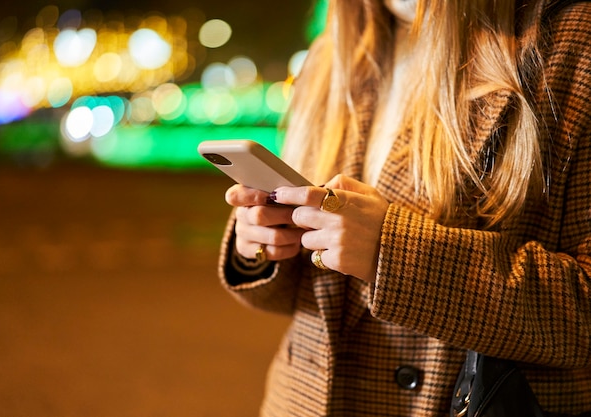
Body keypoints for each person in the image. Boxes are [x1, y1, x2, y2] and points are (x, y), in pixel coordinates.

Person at [217, 0, 591, 415]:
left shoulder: (568, 42)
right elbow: (310, 303)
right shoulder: (330, 55)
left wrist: (392, 252)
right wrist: (262, 245)